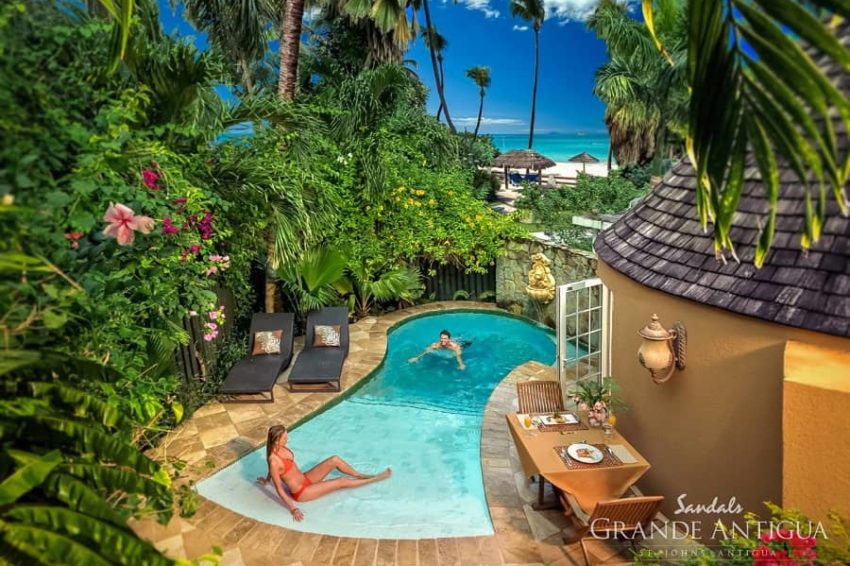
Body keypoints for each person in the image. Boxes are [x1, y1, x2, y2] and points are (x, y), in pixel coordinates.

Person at [257, 425, 391, 521]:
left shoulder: (280, 448)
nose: (288, 439)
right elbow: (280, 489)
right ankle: (375, 479)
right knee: (341, 482)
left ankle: (358, 474)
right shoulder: (274, 461)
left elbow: (272, 470)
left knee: (334, 460)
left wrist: (267, 480)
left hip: (305, 478)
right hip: (302, 492)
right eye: (285, 438)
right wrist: (293, 509)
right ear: (276, 440)